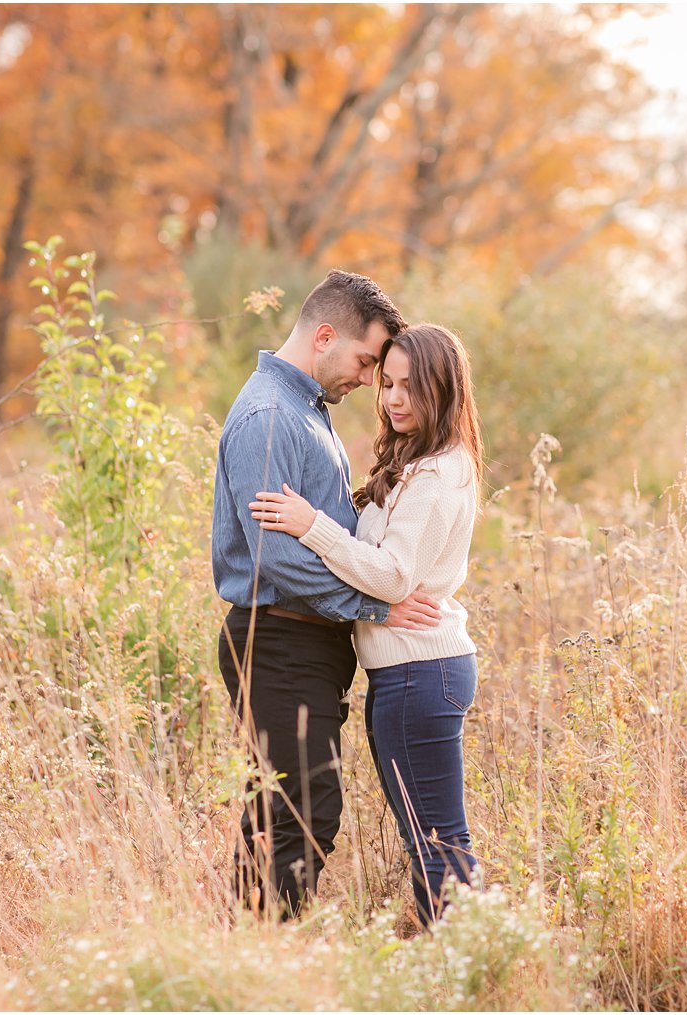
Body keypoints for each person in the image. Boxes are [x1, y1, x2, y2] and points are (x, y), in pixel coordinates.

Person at [212, 269, 441, 920]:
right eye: (367, 361)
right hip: (277, 638)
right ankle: (259, 962)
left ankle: (248, 958)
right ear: (323, 335)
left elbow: (320, 532)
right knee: (302, 814)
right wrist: (377, 604)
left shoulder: (305, 412)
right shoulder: (269, 415)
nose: (370, 379)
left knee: (285, 812)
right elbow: (278, 558)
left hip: (304, 645)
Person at [250, 323, 483, 926]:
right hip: (408, 673)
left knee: (437, 842)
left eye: (413, 387)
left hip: (419, 673)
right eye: (388, 383)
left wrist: (310, 525)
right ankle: (465, 958)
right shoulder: (416, 462)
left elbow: (393, 576)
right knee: (429, 838)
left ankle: (470, 966)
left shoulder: (436, 475)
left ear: (447, 390)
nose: (395, 398)